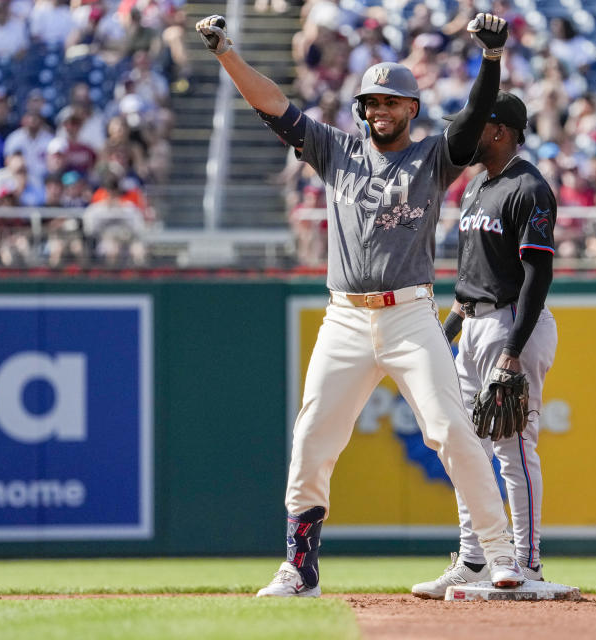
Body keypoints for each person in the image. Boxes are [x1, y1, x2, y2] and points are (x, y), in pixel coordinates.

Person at [196, 11, 525, 598]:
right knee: (313, 437)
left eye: (392, 102)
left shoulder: (433, 157)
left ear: (411, 109)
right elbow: (273, 105)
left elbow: (474, 116)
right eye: (372, 102)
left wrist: (491, 60)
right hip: (345, 316)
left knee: (451, 430)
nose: (380, 111)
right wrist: (227, 54)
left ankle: (500, 555)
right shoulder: (334, 150)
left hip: (408, 314)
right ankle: (300, 568)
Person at [411, 92, 558, 599]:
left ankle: (527, 562)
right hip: (473, 323)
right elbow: (469, 281)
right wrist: (442, 334)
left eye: (475, 125)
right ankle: (475, 558)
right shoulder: (476, 187)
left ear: (499, 130)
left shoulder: (528, 187)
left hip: (512, 322)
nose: (465, 134)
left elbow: (538, 276)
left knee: (514, 447)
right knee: (465, 448)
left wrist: (512, 351)